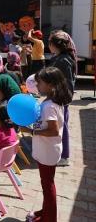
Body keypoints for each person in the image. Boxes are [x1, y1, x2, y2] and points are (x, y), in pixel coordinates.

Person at [22, 67, 72, 222]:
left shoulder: (49, 105)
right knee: (48, 184)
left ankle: (49, 218)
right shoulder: (53, 100)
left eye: (40, 82)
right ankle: (45, 212)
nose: (37, 85)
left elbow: (53, 130)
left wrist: (31, 132)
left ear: (50, 85)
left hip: (47, 151)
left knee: (48, 186)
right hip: (49, 150)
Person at [47, 30, 77, 167]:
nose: (49, 46)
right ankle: (60, 153)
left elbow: (69, 83)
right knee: (60, 126)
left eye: (49, 43)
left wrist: (65, 100)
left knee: (62, 127)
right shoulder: (59, 58)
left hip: (61, 99)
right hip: (57, 98)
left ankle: (64, 157)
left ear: (54, 44)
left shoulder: (63, 60)